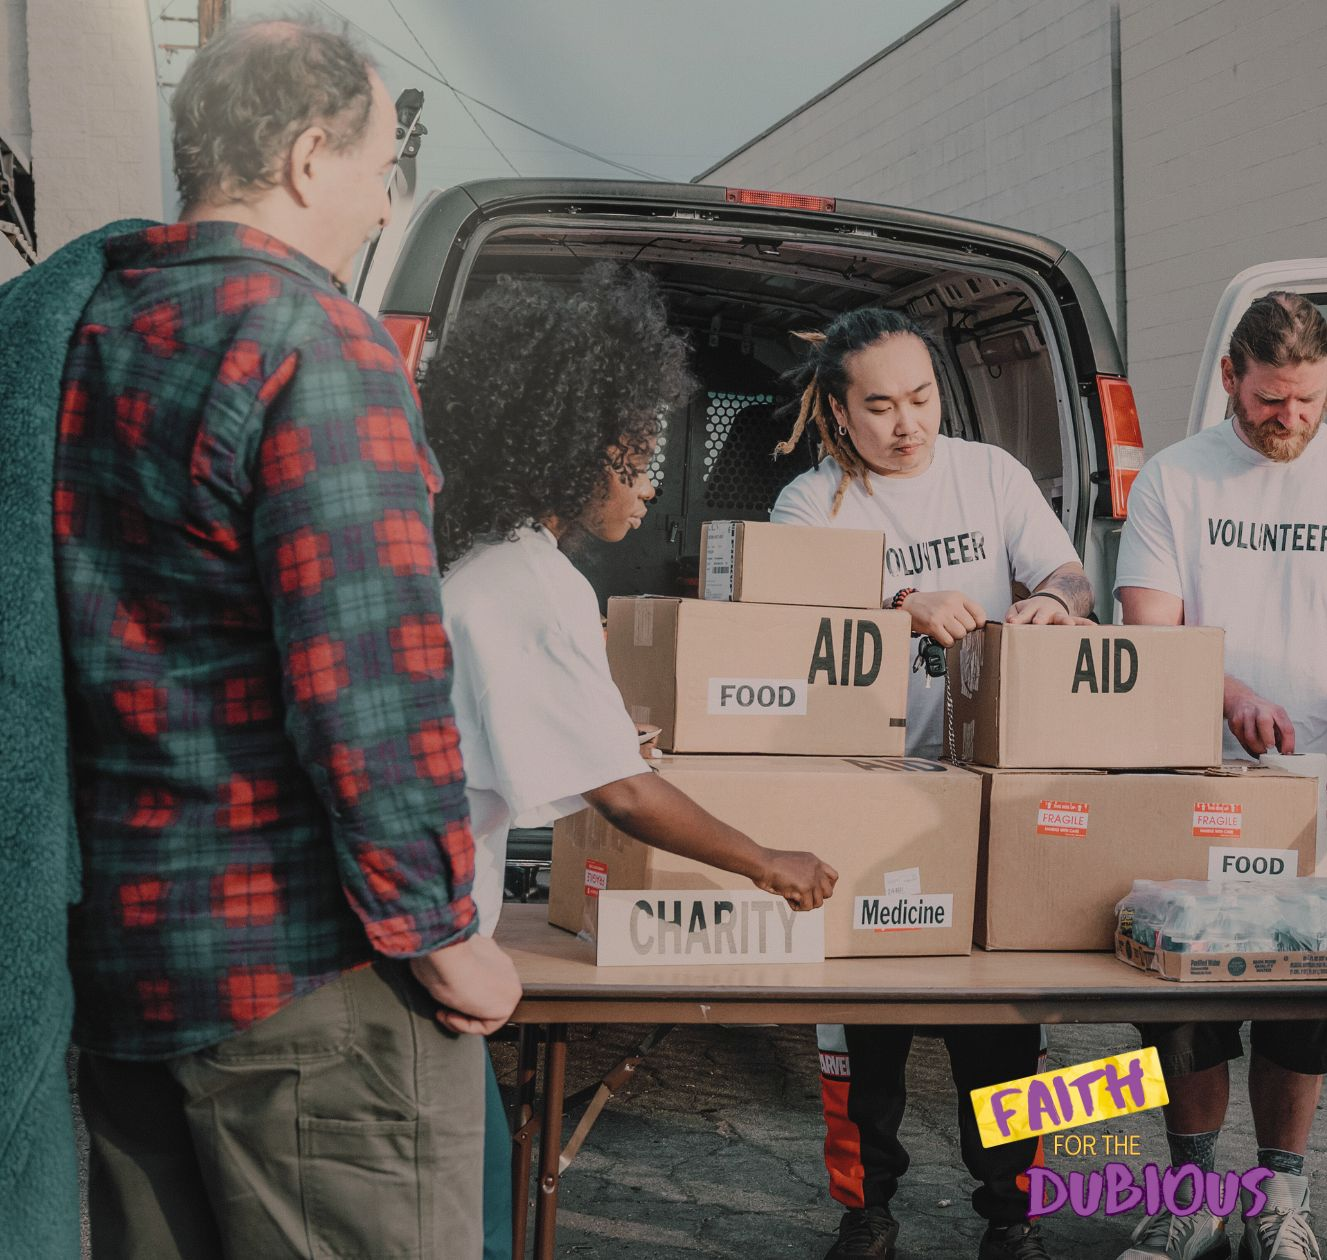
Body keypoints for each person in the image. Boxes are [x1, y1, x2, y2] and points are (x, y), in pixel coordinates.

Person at [54, 19, 519, 1257]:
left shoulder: (83, 334)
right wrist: (443, 932)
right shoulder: (314, 344)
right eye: (382, 168)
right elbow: (366, 682)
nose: (381, 204)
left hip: (123, 963)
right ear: (312, 157)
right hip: (304, 980)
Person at [422, 262, 840, 1260]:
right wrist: (767, 861)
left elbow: (539, 749)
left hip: (426, 937)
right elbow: (623, 794)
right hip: (425, 959)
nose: (653, 474)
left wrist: (612, 748)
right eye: (632, 445)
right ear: (564, 442)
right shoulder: (530, 582)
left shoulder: (482, 562)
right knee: (467, 1231)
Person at [1113, 291, 1327, 1260]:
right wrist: (1231, 692)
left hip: (1323, 793)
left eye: (1304, 401)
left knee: (1305, 1005)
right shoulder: (1173, 480)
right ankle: (1193, 1198)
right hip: (1199, 781)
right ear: (1228, 381)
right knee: (1188, 1001)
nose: (1286, 421)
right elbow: (1149, 630)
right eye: (1266, 402)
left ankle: (1275, 1201)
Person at [769, 305, 1090, 1260]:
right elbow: (788, 613)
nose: (908, 423)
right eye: (880, 406)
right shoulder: (810, 504)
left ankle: (1011, 1219)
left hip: (993, 793)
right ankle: (866, 1215)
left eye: (921, 398)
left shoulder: (989, 475)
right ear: (837, 409)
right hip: (866, 800)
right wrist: (901, 605)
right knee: (869, 1026)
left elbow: (1070, 574)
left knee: (999, 1029)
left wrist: (1046, 603)